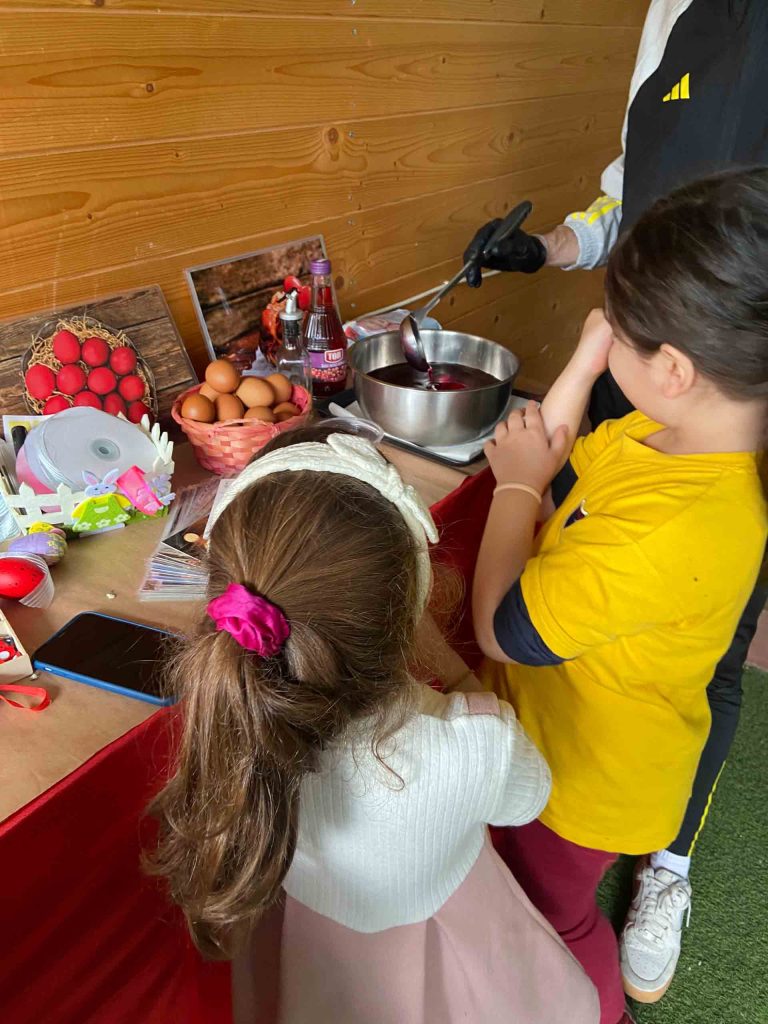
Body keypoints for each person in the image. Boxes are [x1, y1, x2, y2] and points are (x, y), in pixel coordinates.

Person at [463, 0, 768, 1001]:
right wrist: (597, 345)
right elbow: (572, 443)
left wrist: (516, 487)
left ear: (670, 368)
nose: (600, 334)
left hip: (583, 788)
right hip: (572, 731)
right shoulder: (664, 436)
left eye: (613, 327)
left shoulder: (675, 525)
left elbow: (504, 630)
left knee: (556, 916)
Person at [146, 423, 599, 1024]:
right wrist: (458, 677)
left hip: (306, 944)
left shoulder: (236, 717)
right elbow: (529, 796)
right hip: (452, 940)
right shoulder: (475, 743)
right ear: (414, 604)